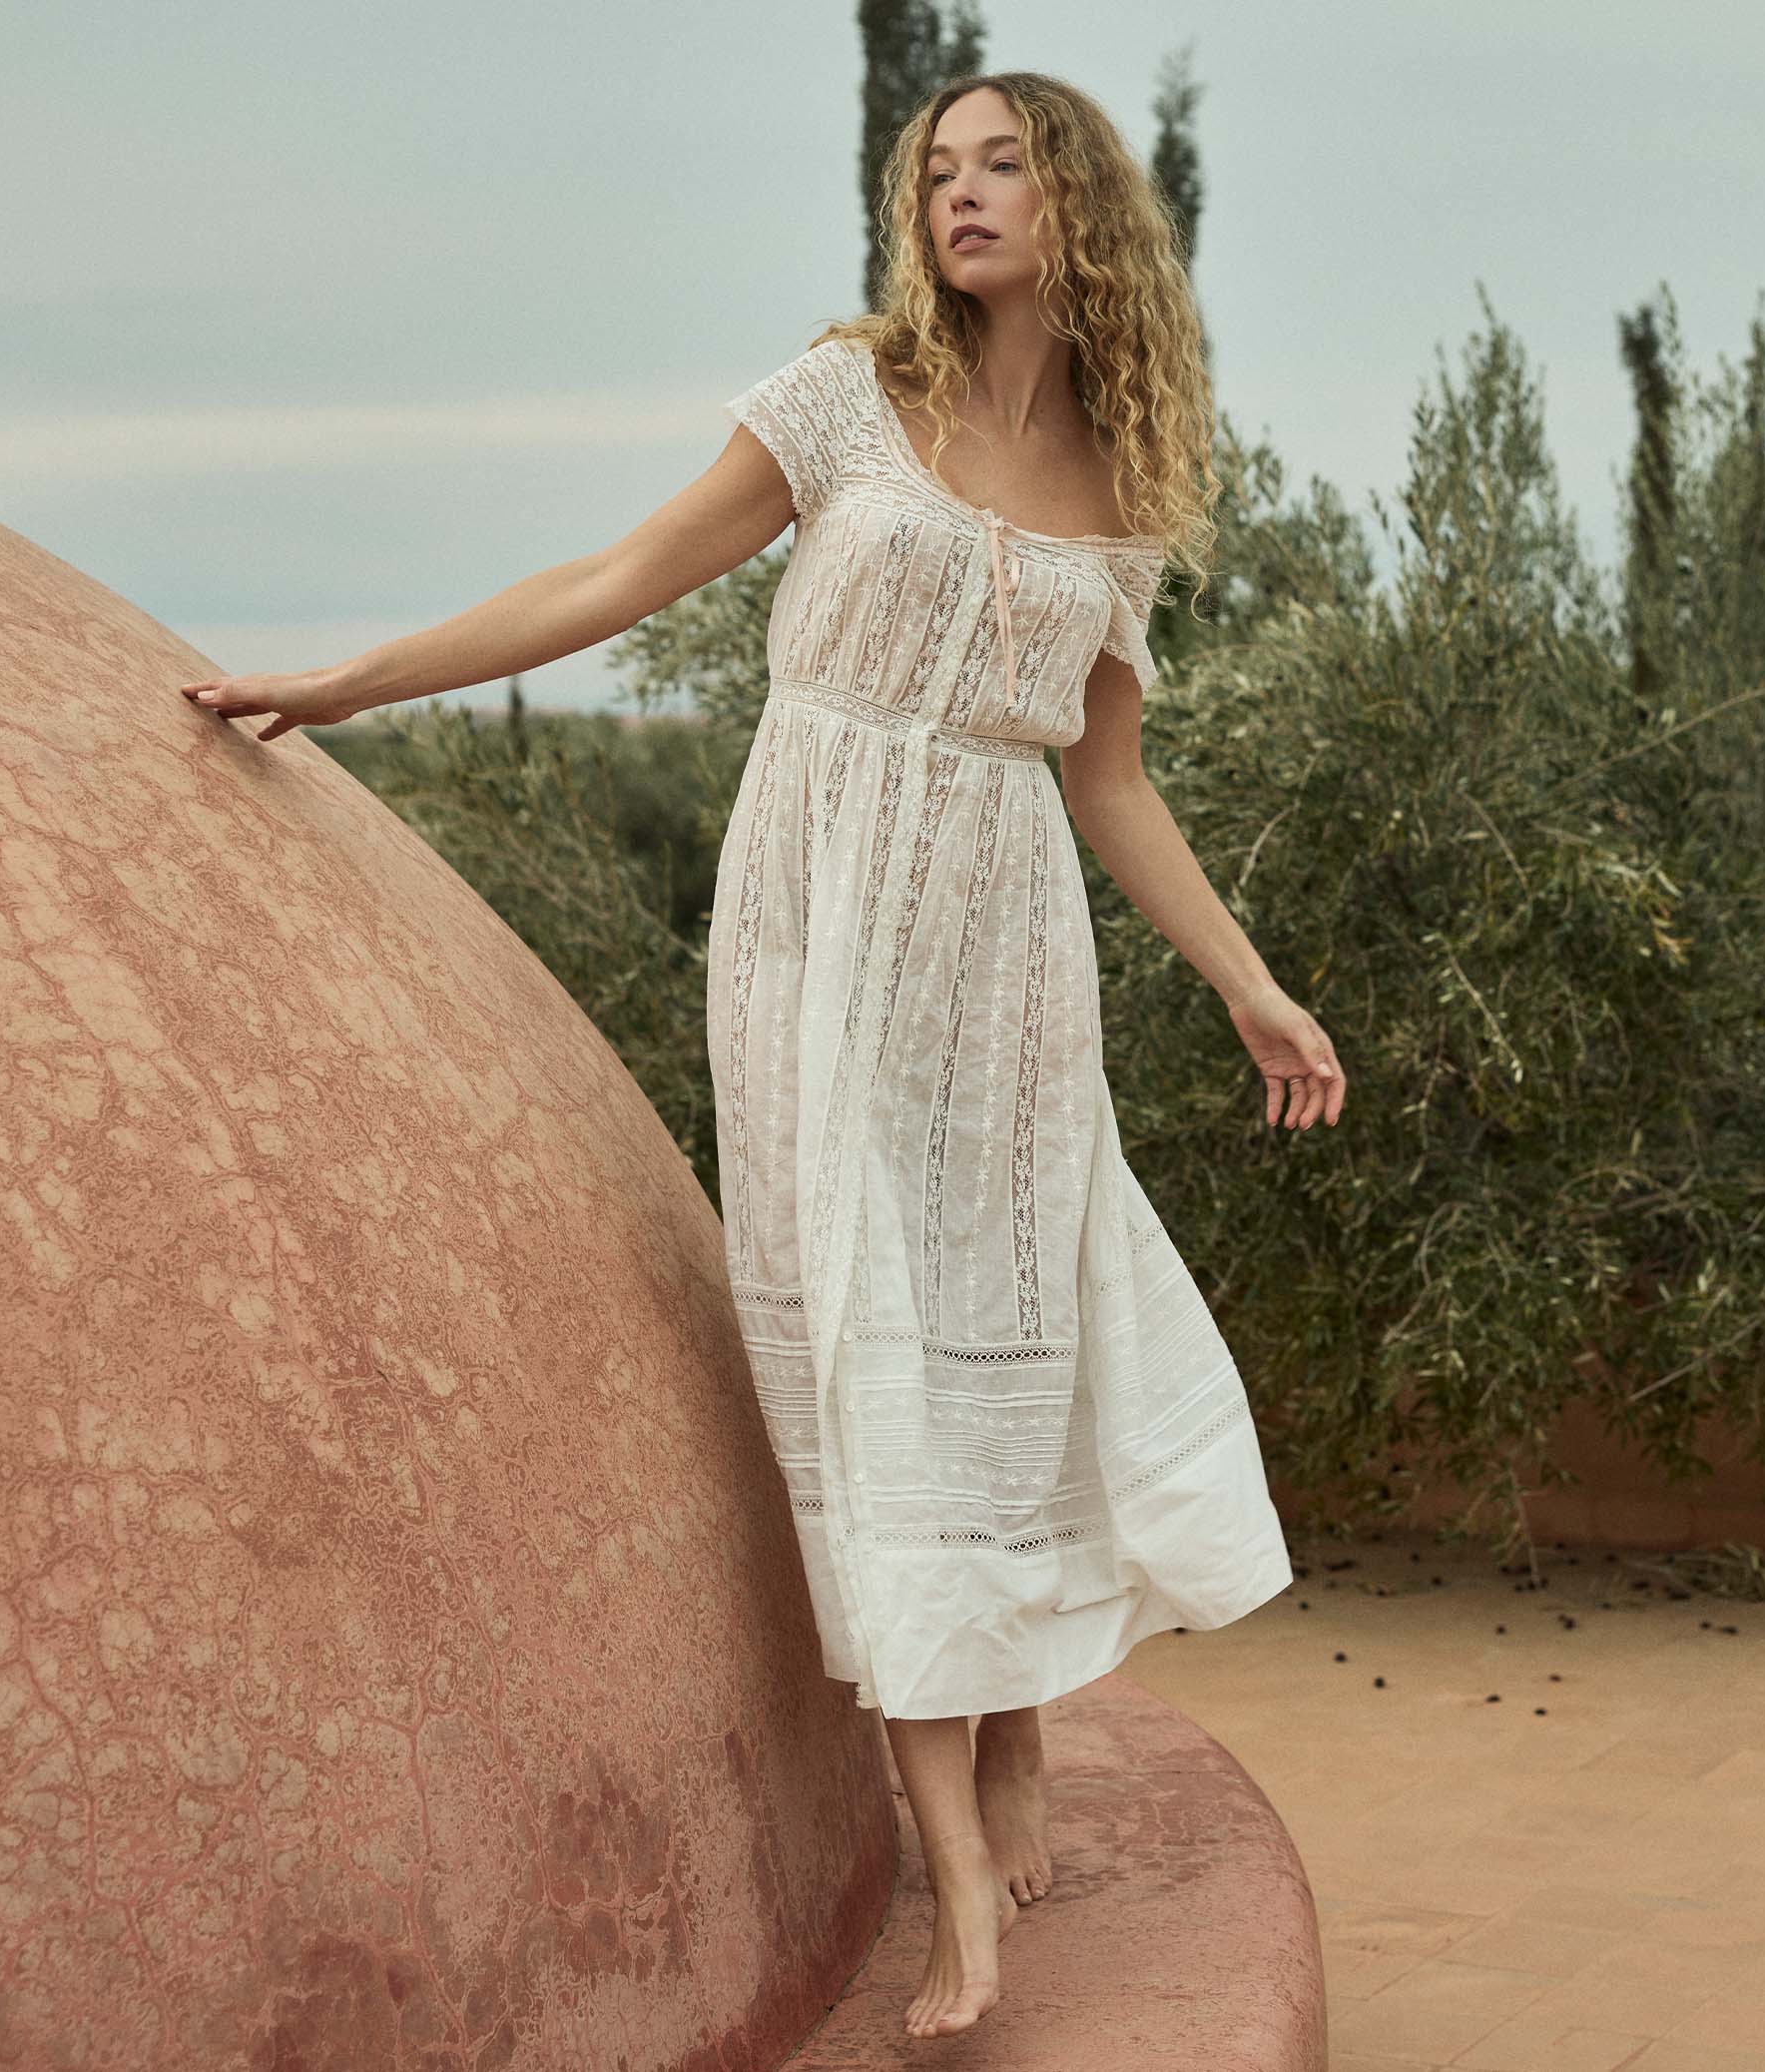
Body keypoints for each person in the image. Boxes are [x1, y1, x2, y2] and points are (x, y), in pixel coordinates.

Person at [180, 68, 1345, 2045]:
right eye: (939, 170)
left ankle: (1009, 1727)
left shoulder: (1124, 482)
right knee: (858, 1349)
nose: (962, 196)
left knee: (1010, 1326)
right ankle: (954, 1869)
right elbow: (611, 582)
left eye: (1002, 165)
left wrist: (1247, 979)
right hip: (819, 915)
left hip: (1005, 947)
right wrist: (346, 679)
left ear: (1081, 207)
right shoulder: (838, 399)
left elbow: (1110, 777)